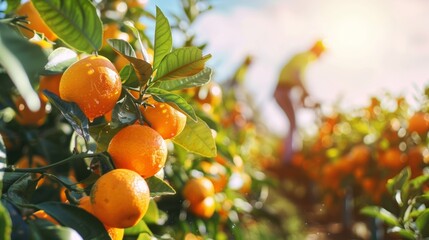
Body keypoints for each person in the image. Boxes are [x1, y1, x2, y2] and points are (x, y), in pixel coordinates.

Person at [274, 40, 326, 163]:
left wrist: (305, 97)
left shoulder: (302, 56)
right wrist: (308, 94)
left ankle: (287, 157)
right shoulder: (305, 57)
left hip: (284, 91)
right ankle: (288, 160)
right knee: (293, 124)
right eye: (321, 53)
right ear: (317, 50)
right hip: (284, 91)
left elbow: (298, 81)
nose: (320, 57)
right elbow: (296, 75)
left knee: (292, 123)